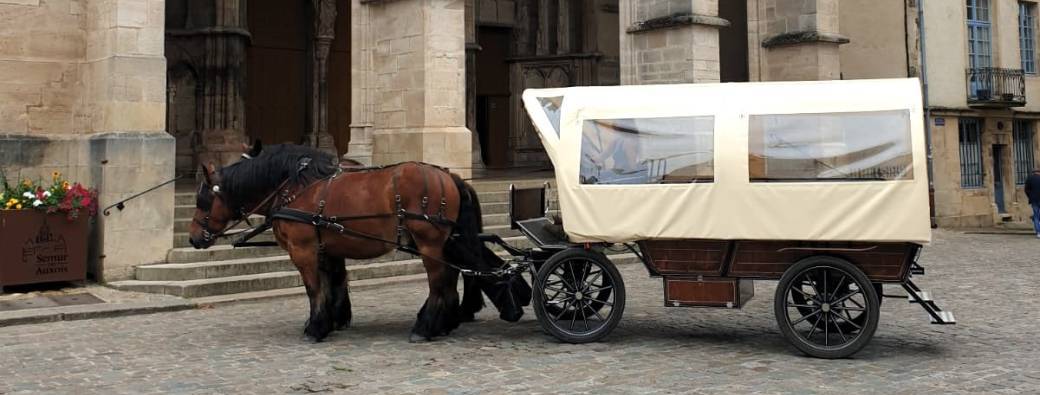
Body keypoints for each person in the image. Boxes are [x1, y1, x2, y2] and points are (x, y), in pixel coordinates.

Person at [1026, 168, 1040, 238]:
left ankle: (1038, 232)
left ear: (1033, 172)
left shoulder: (1029, 179)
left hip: (1034, 200)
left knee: (1036, 216)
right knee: (1038, 215)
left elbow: (1026, 190)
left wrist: (1030, 196)